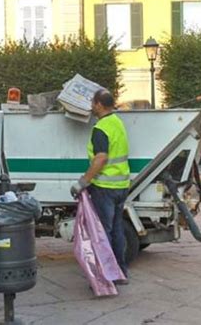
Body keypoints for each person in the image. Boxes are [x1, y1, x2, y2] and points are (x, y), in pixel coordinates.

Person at [70, 89, 131, 285]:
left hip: (105, 186)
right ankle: (120, 272)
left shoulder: (101, 128)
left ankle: (106, 277)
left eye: (92, 103)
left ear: (98, 104)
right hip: (121, 185)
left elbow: (101, 158)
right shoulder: (117, 123)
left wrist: (82, 182)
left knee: (102, 233)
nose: (91, 106)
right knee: (117, 230)